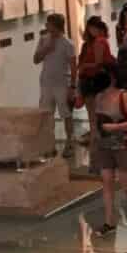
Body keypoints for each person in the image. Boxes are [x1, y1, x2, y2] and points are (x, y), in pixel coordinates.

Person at [83, 64, 127, 233]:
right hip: (104, 146)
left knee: (126, 186)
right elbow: (95, 124)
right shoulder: (98, 97)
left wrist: (115, 127)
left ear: (112, 77)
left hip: (122, 146)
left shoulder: (123, 96)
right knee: (106, 182)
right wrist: (93, 145)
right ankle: (109, 222)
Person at [33, 12, 77, 153]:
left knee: (66, 114)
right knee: (46, 114)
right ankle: (49, 144)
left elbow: (73, 66)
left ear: (56, 25)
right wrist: (46, 49)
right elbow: (36, 59)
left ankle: (69, 141)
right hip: (46, 82)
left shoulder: (68, 43)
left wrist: (73, 86)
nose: (46, 26)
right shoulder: (43, 40)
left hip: (62, 83)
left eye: (49, 24)